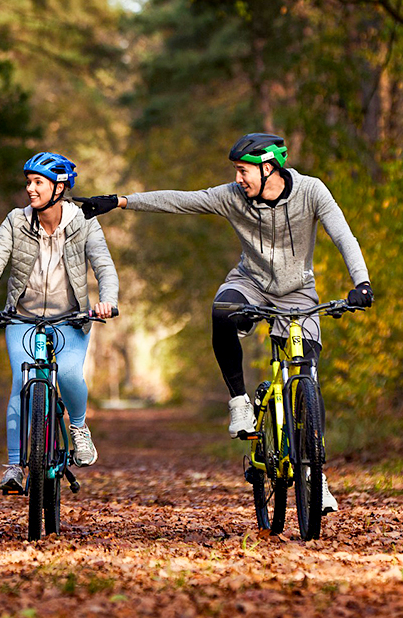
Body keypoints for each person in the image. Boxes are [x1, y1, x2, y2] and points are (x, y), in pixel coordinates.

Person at [76, 133, 372, 513]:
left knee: (307, 380)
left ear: (269, 168)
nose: (238, 178)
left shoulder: (312, 192)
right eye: (236, 171)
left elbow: (343, 236)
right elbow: (182, 200)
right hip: (249, 284)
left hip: (298, 293)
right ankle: (239, 403)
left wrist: (361, 282)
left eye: (243, 170)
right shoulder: (233, 197)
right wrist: (120, 202)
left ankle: (316, 475)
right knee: (221, 309)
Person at [0, 152, 119, 493]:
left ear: (60, 187)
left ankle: (78, 428)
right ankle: (14, 465)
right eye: (28, 182)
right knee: (22, 383)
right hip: (22, 316)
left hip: (70, 318)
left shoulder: (84, 222)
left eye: (38, 182)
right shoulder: (15, 222)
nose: (30, 189)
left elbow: (104, 267)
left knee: (67, 373)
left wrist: (108, 301)